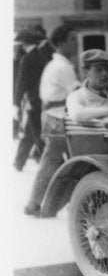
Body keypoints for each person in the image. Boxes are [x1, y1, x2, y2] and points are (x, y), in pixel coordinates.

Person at [24, 25, 80, 217]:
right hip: (57, 116)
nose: (76, 42)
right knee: (55, 161)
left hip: (54, 115)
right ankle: (37, 204)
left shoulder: (58, 64)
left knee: (55, 161)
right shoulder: (61, 67)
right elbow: (76, 92)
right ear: (62, 43)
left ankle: (41, 203)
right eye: (73, 39)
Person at [13, 29, 47, 171]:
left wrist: (16, 102)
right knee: (30, 132)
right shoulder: (41, 55)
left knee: (37, 134)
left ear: (24, 43)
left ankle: (45, 162)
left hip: (33, 101)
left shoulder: (27, 58)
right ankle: (19, 162)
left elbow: (22, 82)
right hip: (42, 100)